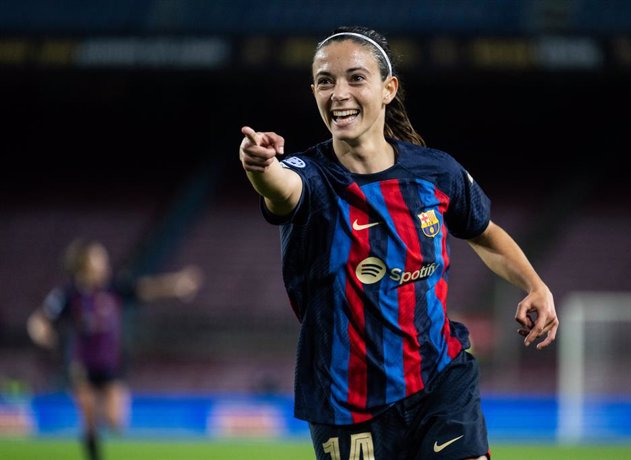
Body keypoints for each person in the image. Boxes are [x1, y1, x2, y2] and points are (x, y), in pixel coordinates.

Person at [238, 25, 558, 460]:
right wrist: (259, 164)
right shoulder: (310, 176)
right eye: (326, 82)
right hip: (346, 401)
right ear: (314, 91)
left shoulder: (436, 172)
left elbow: (484, 232)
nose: (339, 93)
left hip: (440, 376)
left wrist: (535, 285)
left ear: (388, 89)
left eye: (355, 78)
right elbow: (279, 186)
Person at [26, 238, 203, 460]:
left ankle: (99, 410)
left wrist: (175, 285)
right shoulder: (68, 295)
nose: (104, 262)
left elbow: (145, 289)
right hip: (82, 363)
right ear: (83, 264)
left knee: (116, 422)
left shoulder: (113, 289)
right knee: (89, 419)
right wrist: (39, 330)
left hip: (111, 363)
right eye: (98, 258)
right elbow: (40, 319)